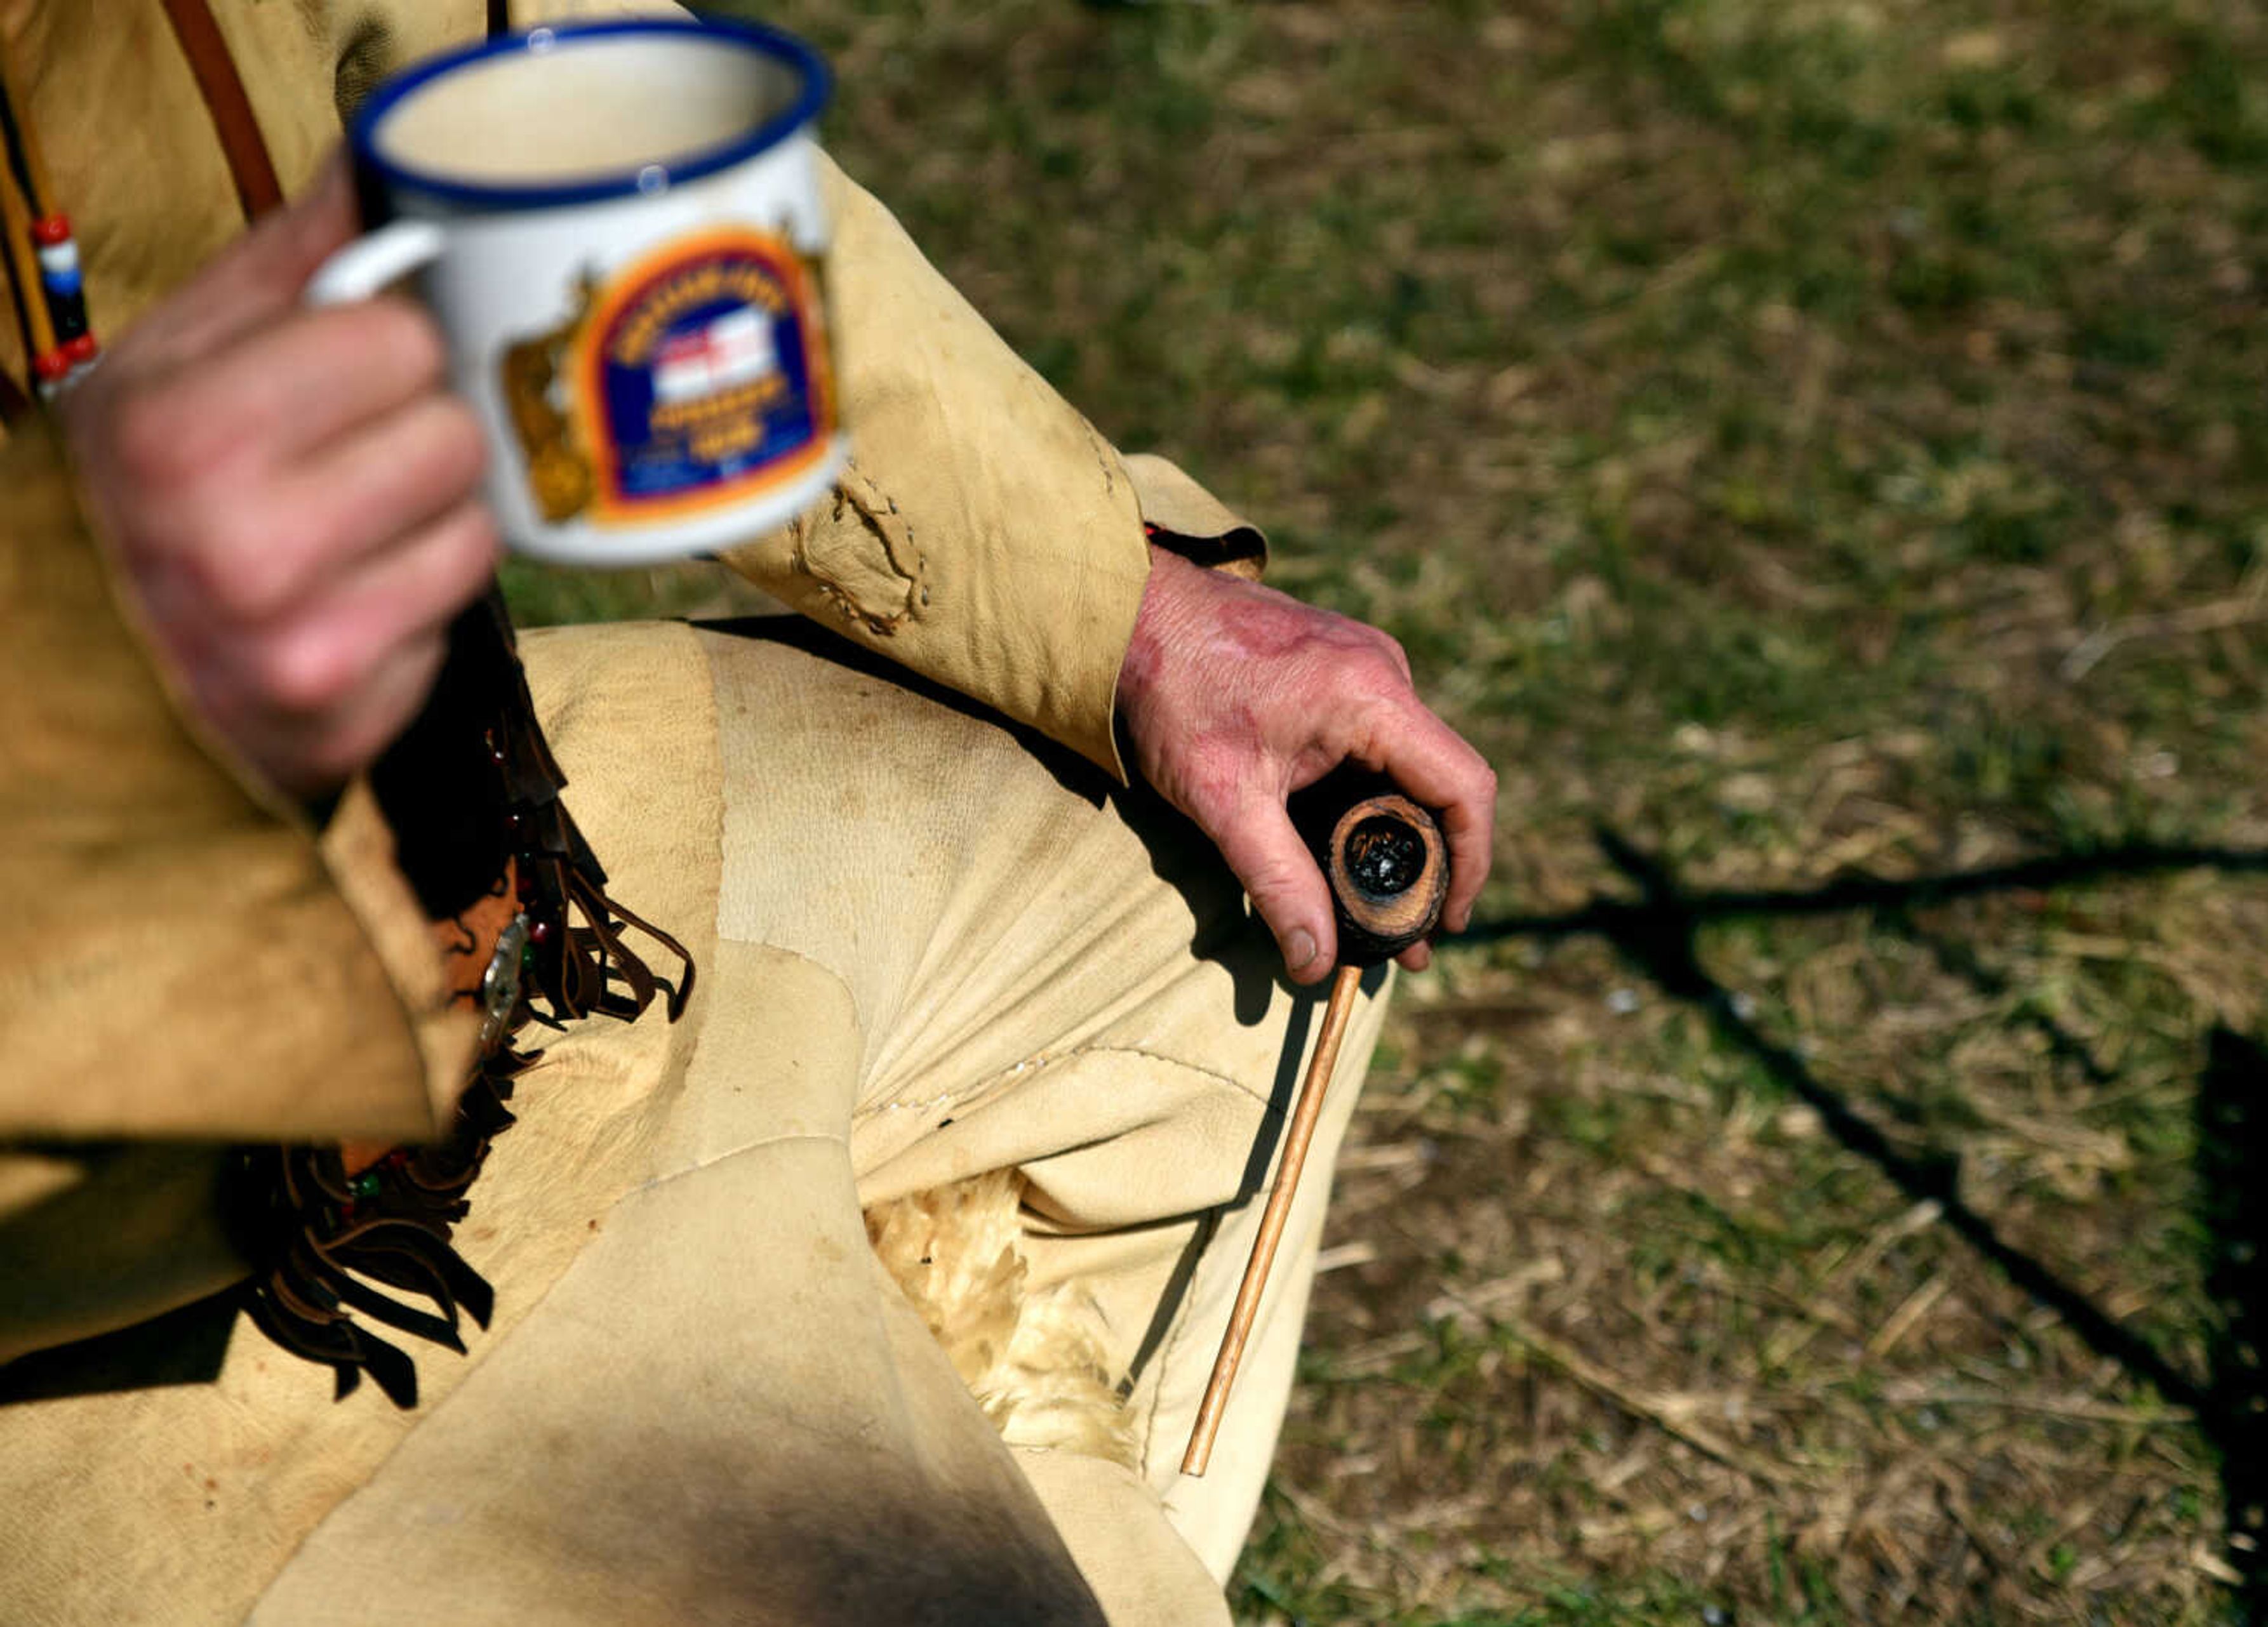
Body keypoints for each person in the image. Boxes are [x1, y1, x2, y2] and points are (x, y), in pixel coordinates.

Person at [0, 3, 1495, 1623]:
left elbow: (575, 112)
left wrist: (1131, 619)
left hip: (516, 924)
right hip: (144, 1256)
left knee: (1198, 899)